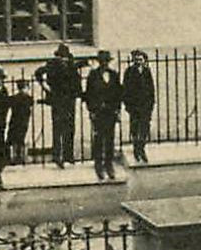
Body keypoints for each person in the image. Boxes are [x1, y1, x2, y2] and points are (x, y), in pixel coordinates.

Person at [35, 44, 83, 168]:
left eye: (64, 57)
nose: (63, 59)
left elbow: (77, 81)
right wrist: (46, 88)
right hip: (57, 100)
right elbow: (38, 73)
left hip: (69, 100)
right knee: (58, 128)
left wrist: (78, 93)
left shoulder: (72, 65)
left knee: (70, 127)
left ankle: (69, 155)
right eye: (60, 57)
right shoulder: (52, 65)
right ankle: (58, 156)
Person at [84, 49, 125, 180]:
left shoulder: (114, 75)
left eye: (106, 62)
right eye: (102, 62)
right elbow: (89, 94)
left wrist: (118, 110)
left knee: (110, 139)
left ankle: (109, 165)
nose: (104, 64)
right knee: (99, 139)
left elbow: (119, 93)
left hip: (110, 112)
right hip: (98, 112)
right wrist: (92, 110)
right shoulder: (93, 76)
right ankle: (98, 165)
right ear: (98, 63)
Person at [122, 48, 157, 163]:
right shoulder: (129, 71)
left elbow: (151, 89)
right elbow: (125, 89)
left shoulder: (147, 71)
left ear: (144, 60)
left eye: (141, 59)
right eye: (136, 59)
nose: (138, 62)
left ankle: (141, 148)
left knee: (144, 128)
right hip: (135, 106)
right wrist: (128, 105)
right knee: (135, 128)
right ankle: (136, 150)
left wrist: (151, 104)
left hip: (145, 106)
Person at [7, 77, 35, 165]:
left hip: (16, 120)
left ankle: (16, 156)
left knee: (15, 138)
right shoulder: (28, 98)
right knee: (20, 138)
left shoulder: (14, 98)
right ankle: (19, 156)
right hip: (21, 121)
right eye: (26, 87)